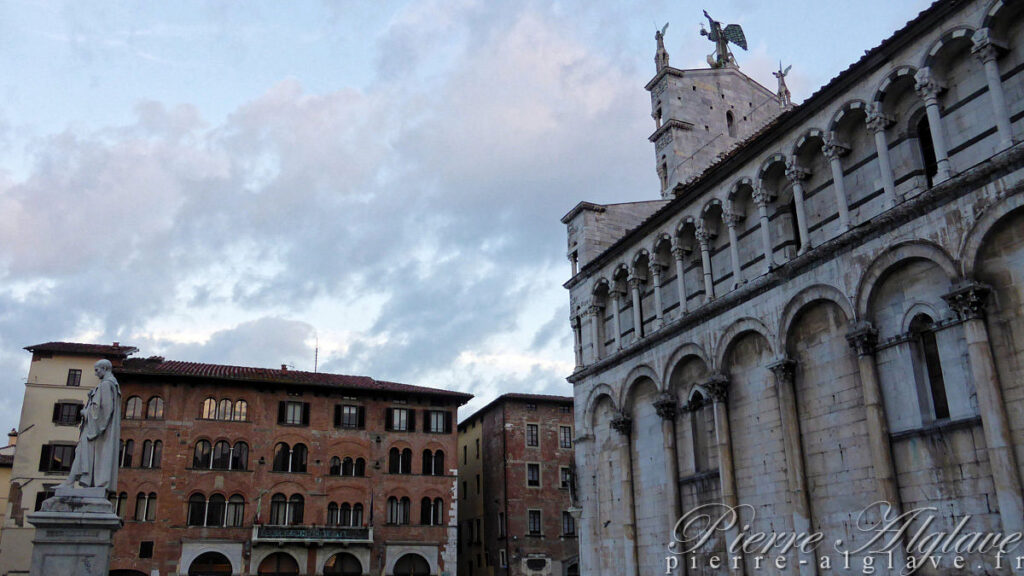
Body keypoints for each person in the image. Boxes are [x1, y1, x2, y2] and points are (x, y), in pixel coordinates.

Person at [59, 359, 121, 490]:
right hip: (95, 429)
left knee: (81, 452)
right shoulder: (108, 384)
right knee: (81, 453)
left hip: (95, 430)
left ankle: (70, 482)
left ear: (105, 368)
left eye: (97, 370)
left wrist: (86, 412)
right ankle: (71, 482)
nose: (95, 373)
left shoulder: (106, 385)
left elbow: (106, 409)